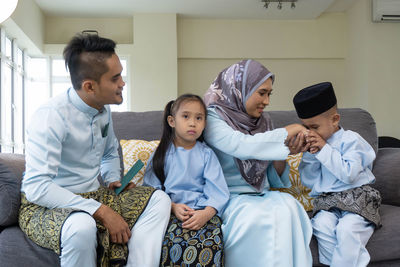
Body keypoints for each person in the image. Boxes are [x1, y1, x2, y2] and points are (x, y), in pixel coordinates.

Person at [19, 33, 171, 267]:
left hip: (95, 195)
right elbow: (36, 187)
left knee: (159, 200)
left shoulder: (103, 109)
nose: (123, 83)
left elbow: (110, 152)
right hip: (46, 206)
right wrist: (101, 211)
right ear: (89, 86)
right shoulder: (50, 116)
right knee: (82, 227)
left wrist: (112, 179)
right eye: (116, 77)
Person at [203, 59, 313, 267]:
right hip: (229, 197)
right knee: (253, 218)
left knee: (289, 207)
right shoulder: (211, 117)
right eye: (261, 93)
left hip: (262, 194)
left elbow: (270, 173)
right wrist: (287, 131)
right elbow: (240, 146)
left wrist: (286, 152)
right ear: (240, 89)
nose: (267, 101)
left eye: (269, 94)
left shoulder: (264, 121)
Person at [293, 82, 381, 267]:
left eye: (314, 127)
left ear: (334, 120)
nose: (309, 133)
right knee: (321, 225)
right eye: (305, 127)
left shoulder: (352, 140)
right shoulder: (315, 148)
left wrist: (324, 150)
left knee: (347, 230)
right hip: (327, 201)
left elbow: (348, 174)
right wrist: (310, 156)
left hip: (357, 197)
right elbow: (309, 180)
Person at [143, 94, 230, 267]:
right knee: (171, 242)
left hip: (202, 213)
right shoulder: (161, 154)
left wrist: (205, 214)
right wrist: (173, 207)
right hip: (170, 213)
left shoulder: (207, 154)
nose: (192, 123)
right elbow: (152, 190)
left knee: (210, 243)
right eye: (185, 116)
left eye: (199, 118)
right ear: (171, 121)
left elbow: (218, 190)